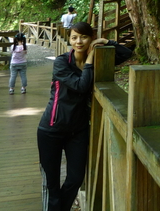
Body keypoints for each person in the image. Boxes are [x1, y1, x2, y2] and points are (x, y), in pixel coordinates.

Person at [37, 21, 131, 211]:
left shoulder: (98, 57)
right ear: (70, 39)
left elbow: (127, 54)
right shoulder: (62, 62)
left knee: (76, 178)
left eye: (84, 37)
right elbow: (81, 86)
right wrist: (89, 61)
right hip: (51, 129)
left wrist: (106, 41)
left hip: (78, 130)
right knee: (52, 185)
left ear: (91, 38)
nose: (78, 41)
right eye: (74, 37)